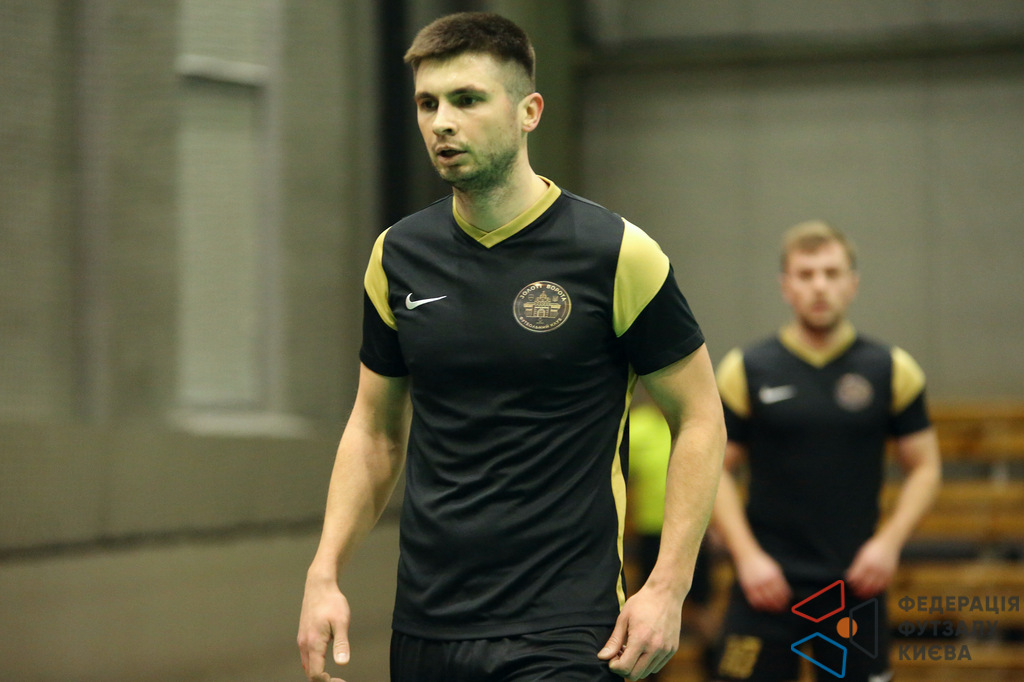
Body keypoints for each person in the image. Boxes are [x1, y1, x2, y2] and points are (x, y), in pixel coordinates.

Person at [296, 12, 725, 682]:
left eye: (467, 100)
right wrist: (324, 573)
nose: (442, 122)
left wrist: (668, 586)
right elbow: (375, 432)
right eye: (428, 104)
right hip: (429, 626)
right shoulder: (397, 256)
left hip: (566, 626)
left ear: (529, 112)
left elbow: (699, 417)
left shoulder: (616, 252)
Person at [710, 221, 942, 681]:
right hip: (765, 586)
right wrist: (747, 557)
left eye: (832, 273)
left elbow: (926, 467)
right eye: (806, 274)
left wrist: (888, 544)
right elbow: (713, 470)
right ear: (785, 286)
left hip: (856, 584)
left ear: (852, 283)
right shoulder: (745, 369)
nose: (820, 286)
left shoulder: (892, 369)